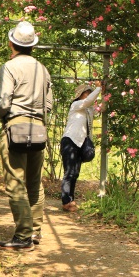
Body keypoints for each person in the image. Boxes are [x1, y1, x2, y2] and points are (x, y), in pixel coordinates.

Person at [0, 21, 53, 252]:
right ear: (32, 46)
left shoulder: (9, 66)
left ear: (11, 43)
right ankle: (35, 231)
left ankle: (23, 237)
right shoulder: (43, 69)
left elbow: (5, 102)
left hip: (15, 127)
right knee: (34, 183)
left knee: (15, 182)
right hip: (38, 128)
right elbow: (48, 105)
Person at [60, 81, 103, 212]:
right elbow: (89, 101)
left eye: (90, 92)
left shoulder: (89, 110)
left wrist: (105, 94)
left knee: (75, 173)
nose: (89, 94)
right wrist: (99, 88)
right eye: (87, 92)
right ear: (80, 95)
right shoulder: (76, 105)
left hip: (80, 142)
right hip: (70, 141)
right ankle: (66, 201)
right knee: (69, 173)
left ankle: (70, 199)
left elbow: (101, 108)